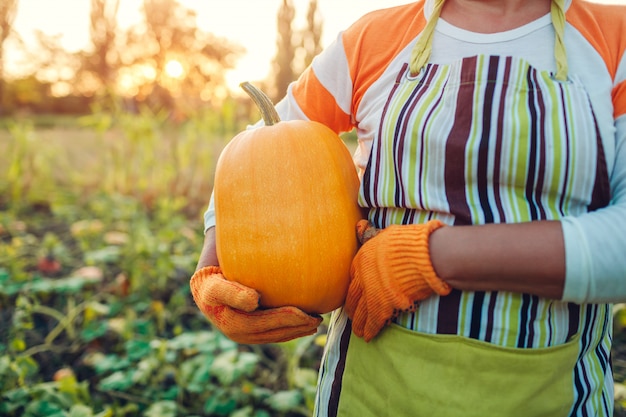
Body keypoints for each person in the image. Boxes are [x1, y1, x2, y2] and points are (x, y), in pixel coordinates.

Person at [190, 0, 626, 415]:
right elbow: (258, 147)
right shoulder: (370, 42)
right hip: (370, 394)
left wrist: (432, 257)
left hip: (551, 398)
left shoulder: (614, 41)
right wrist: (213, 268)